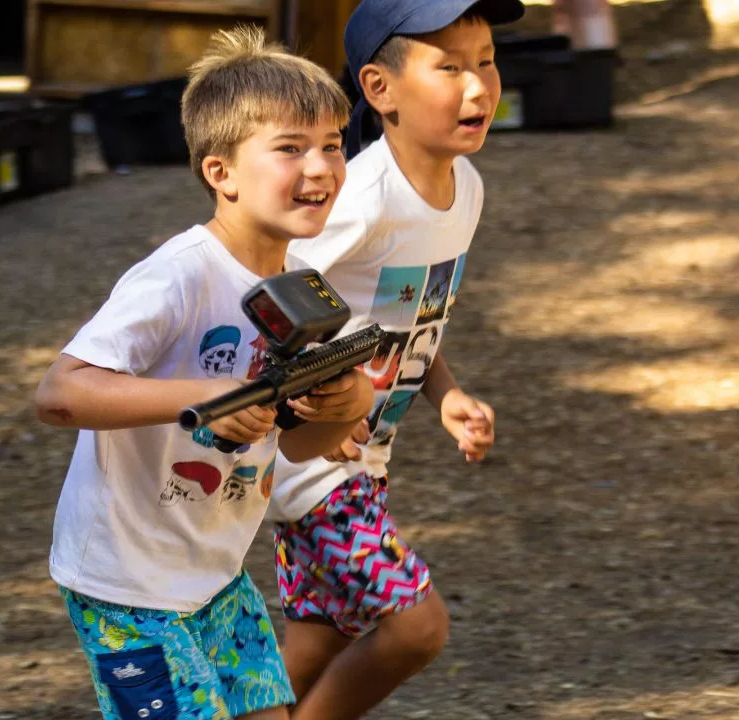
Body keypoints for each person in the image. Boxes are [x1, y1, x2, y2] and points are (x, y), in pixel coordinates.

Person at [34, 26, 374, 720]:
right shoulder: (180, 276)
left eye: (334, 145)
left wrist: (342, 399)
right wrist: (207, 397)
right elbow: (60, 393)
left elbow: (301, 444)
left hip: (215, 574)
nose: (323, 167)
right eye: (290, 148)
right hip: (127, 582)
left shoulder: (302, 285)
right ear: (220, 173)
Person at [268, 1, 525, 718]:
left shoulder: (464, 190)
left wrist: (445, 394)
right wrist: (319, 395)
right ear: (380, 90)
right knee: (416, 626)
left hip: (367, 462)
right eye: (448, 67)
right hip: (312, 462)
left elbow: (411, 321)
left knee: (316, 642)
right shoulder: (363, 198)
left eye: (486, 61)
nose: (477, 86)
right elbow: (272, 297)